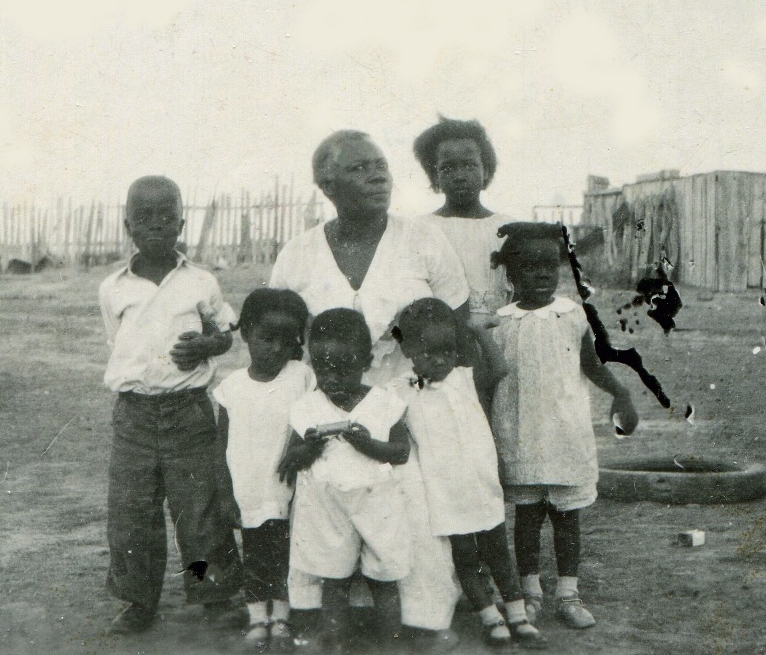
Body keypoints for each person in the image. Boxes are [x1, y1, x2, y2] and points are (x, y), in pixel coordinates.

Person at [268, 130, 470, 647]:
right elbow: (284, 338)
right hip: (329, 399)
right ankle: (326, 617)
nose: (378, 176)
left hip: (406, 399)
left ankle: (420, 617)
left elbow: (456, 322)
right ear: (326, 183)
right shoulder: (299, 253)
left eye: (381, 165)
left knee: (412, 506)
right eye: (359, 168)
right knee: (324, 507)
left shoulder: (422, 240)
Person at [98, 176, 241, 635]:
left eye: (166, 215)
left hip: (188, 413)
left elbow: (226, 332)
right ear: (127, 226)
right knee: (132, 513)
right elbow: (117, 345)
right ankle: (138, 601)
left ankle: (212, 594)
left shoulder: (201, 281)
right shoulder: (113, 288)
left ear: (182, 222)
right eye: (144, 217)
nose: (156, 224)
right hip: (134, 416)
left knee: (198, 509)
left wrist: (206, 345)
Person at [488, 222, 641, 630]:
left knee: (567, 517)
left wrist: (620, 393)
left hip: (565, 434)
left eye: (549, 267)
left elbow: (590, 365)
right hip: (518, 435)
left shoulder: (572, 315)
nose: (540, 274)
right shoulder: (498, 323)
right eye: (528, 267)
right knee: (526, 518)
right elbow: (487, 382)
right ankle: (530, 592)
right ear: (510, 274)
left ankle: (568, 593)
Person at [392, 298, 544, 648]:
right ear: (410, 350)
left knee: (497, 551)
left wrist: (477, 332)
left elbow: (501, 368)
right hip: (445, 492)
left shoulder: (463, 377)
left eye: (447, 351)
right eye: (427, 353)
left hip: (481, 484)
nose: (439, 360)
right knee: (466, 556)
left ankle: (518, 614)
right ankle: (489, 616)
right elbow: (386, 412)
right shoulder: (407, 389)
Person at [277, 309, 412, 652]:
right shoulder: (308, 407)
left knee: (383, 577)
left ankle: (391, 641)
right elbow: (291, 461)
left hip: (377, 503)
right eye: (323, 368)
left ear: (366, 362)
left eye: (343, 368)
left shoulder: (384, 403)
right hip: (326, 507)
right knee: (333, 578)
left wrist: (369, 445)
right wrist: (308, 448)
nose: (332, 378)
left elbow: (400, 452)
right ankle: (333, 641)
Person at [213, 288, 315, 651]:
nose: (276, 349)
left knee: (288, 553)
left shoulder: (301, 375)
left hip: (290, 486)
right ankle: (258, 616)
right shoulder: (231, 388)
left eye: (287, 341)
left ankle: (283, 616)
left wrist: (303, 446)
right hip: (250, 488)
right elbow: (221, 446)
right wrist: (225, 494)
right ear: (246, 333)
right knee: (255, 552)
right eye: (267, 338)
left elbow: (313, 421)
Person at [413, 117, 516, 325]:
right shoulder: (422, 229)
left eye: (469, 165)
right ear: (435, 176)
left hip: (499, 334)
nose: (459, 176)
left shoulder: (506, 228)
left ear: (486, 170)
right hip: (444, 338)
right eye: (447, 168)